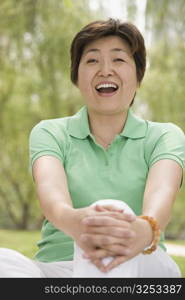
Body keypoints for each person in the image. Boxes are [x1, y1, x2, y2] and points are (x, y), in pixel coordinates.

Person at [0, 18, 185, 278]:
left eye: (119, 60)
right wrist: (78, 224)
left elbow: (161, 198)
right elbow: (52, 198)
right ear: (76, 77)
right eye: (92, 60)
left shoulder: (164, 135)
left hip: (141, 263)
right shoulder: (50, 132)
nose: (106, 70)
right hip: (59, 269)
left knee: (114, 222)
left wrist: (141, 231)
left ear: (138, 75)